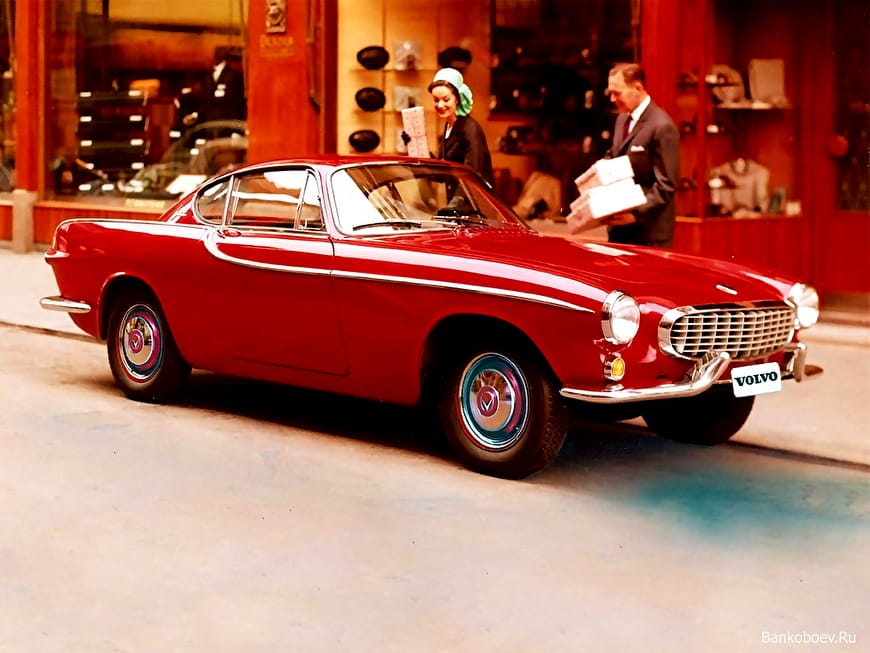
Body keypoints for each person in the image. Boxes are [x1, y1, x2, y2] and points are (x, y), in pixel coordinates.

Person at [588, 63, 680, 247]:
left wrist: (635, 214)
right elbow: (614, 153)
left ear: (637, 88)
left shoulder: (662, 126)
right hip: (620, 229)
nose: (613, 99)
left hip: (649, 233)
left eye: (617, 93)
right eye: (610, 93)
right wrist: (596, 173)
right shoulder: (622, 118)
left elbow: (666, 185)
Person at [425, 67, 494, 186]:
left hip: (472, 196)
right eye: (436, 100)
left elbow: (472, 175)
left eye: (446, 99)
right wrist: (416, 143)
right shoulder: (448, 126)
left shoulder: (470, 129)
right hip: (458, 194)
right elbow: (440, 170)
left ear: (457, 99)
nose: (440, 105)